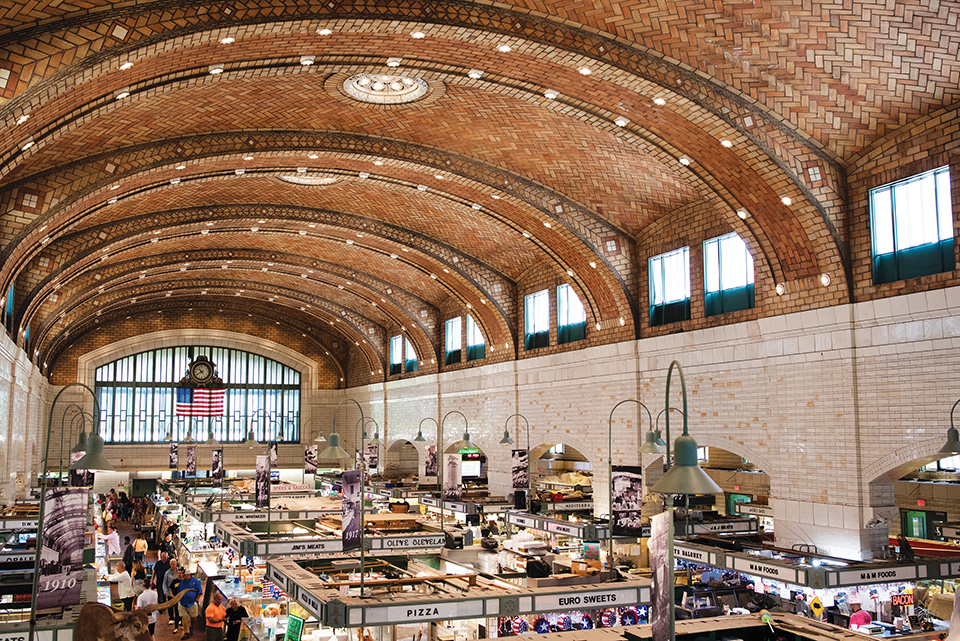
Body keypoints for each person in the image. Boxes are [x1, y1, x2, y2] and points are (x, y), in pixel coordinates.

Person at [177, 566, 203, 637]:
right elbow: (179, 592)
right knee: (184, 617)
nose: (183, 577)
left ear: (188, 575)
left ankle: (191, 627)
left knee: (193, 617)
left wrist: (196, 600)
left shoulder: (195, 582)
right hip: (182, 603)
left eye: (184, 575)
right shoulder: (181, 583)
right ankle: (186, 632)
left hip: (192, 603)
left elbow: (200, 592)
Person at [162, 559, 182, 631]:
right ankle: (171, 618)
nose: (172, 565)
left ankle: (180, 619)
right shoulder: (167, 573)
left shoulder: (179, 571)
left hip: (178, 593)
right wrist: (165, 591)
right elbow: (164, 583)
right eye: (171, 564)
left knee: (178, 608)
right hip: (170, 592)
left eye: (173, 564)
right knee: (170, 606)